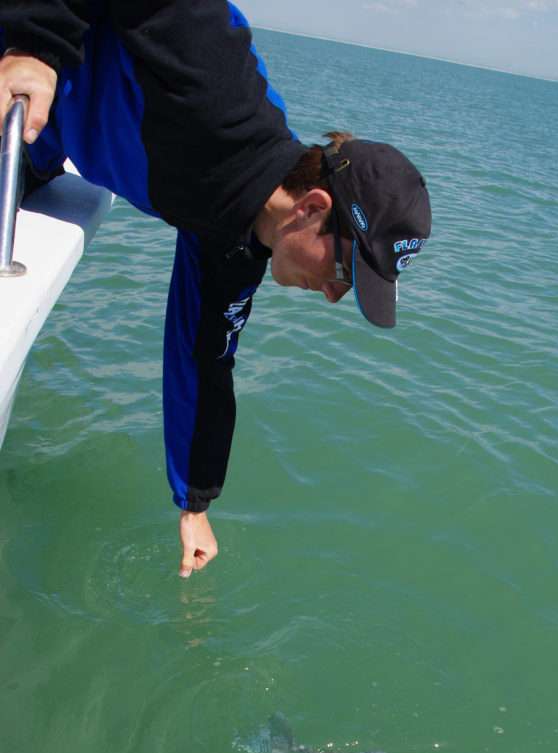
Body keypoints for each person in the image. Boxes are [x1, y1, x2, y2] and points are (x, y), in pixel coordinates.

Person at [0, 1, 431, 578]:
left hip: (41, 141)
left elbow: (204, 361)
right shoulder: (219, 81)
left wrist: (195, 504)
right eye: (344, 272)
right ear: (312, 207)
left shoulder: (236, 245)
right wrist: (36, 46)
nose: (333, 295)